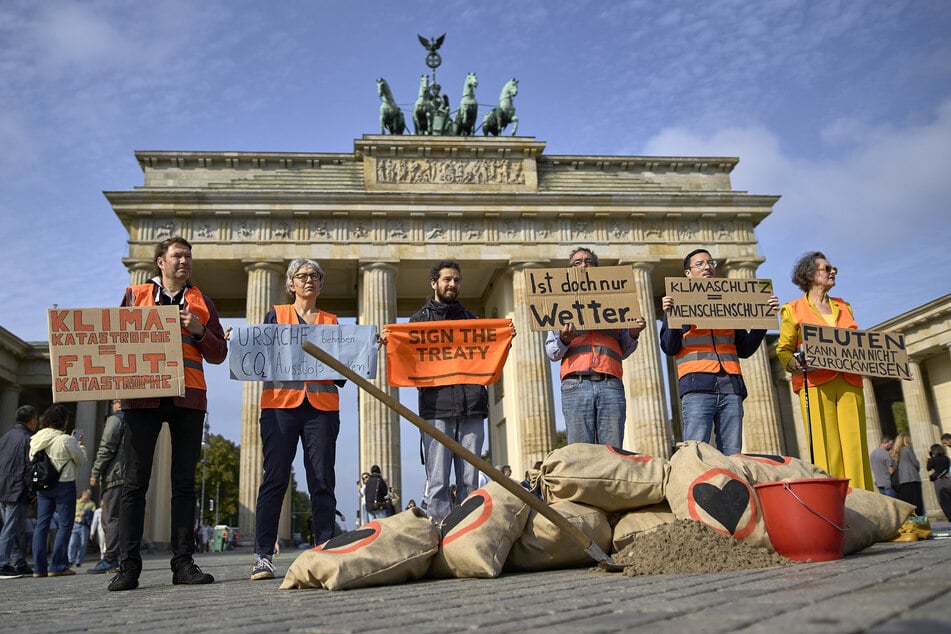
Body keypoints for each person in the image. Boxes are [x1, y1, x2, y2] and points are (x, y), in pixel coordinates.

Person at [109, 236, 228, 592]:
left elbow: (219, 352)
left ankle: (183, 564)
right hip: (142, 397)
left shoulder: (202, 301)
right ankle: (128, 566)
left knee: (184, 484)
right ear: (160, 261)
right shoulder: (135, 296)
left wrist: (199, 330)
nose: (184, 261)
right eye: (177, 256)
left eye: (188, 256)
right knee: (134, 484)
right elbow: (113, 343)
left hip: (189, 398)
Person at [251, 258, 343, 581]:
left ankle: (325, 548)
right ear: (291, 284)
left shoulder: (332, 321)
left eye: (315, 276)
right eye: (302, 276)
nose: (308, 281)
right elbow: (258, 355)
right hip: (280, 406)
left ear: (320, 284)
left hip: (321, 407)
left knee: (321, 479)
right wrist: (239, 341)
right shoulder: (276, 315)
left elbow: (343, 372)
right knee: (275, 478)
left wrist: (363, 352)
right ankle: (263, 554)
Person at [660, 249, 778, 456]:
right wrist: (671, 317)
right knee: (695, 453)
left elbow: (745, 349)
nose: (707, 267)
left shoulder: (728, 303)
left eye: (710, 262)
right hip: (697, 386)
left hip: (731, 386)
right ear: (688, 273)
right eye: (700, 264)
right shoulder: (678, 302)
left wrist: (763, 320)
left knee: (733, 454)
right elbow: (669, 347)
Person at [776, 251, 873, 490]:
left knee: (855, 446)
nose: (832, 272)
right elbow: (783, 351)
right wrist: (795, 363)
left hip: (849, 381)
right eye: (827, 268)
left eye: (833, 269)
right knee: (826, 446)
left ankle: (863, 500)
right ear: (810, 275)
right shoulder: (793, 309)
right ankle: (833, 500)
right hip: (815, 383)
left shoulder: (844, 306)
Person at [410, 260, 489, 523]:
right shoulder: (417, 322)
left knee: (470, 479)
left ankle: (468, 530)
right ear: (434, 283)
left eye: (456, 279)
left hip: (472, 406)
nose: (452, 284)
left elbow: (487, 355)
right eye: (446, 279)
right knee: (438, 481)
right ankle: (440, 533)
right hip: (437, 408)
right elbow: (408, 359)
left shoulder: (472, 321)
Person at [545, 247, 647, 447]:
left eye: (588, 261)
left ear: (597, 270)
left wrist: (633, 333)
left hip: (611, 383)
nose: (583, 265)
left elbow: (623, 350)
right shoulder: (559, 303)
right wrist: (564, 340)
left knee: (612, 451)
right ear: (570, 270)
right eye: (577, 262)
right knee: (581, 454)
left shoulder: (616, 302)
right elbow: (551, 352)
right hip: (576, 384)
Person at [30, 404, 86, 577]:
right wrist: (80, 445)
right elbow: (81, 460)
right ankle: (57, 565)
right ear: (64, 421)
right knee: (65, 524)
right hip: (64, 483)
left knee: (42, 524)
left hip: (43, 484)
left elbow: (32, 459)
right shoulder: (66, 440)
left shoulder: (36, 438)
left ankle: (39, 568)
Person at [87, 399, 126, 574]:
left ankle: (110, 558)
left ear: (118, 402)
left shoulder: (116, 419)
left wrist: (95, 472)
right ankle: (124, 557)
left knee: (111, 518)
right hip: (132, 476)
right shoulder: (137, 420)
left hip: (116, 475)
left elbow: (107, 448)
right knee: (123, 518)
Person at [0, 405, 39, 577]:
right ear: (32, 420)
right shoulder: (28, 439)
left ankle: (19, 562)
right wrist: (32, 492)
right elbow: (29, 468)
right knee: (10, 529)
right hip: (16, 489)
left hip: (2, 487)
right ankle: (2, 563)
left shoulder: (5, 437)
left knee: (11, 528)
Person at [890, 433, 923, 516]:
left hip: (902, 481)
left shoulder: (895, 452)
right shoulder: (907, 449)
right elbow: (915, 463)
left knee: (908, 505)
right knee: (917, 503)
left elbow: (894, 466)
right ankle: (918, 523)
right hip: (912, 479)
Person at [68, 488, 96, 567]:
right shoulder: (76, 502)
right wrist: (78, 513)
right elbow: (71, 511)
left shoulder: (91, 503)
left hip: (84, 525)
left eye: (90, 495)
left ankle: (79, 561)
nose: (90, 496)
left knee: (83, 544)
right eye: (88, 494)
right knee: (72, 543)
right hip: (75, 524)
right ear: (84, 494)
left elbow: (93, 513)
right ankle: (70, 560)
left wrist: (86, 512)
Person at [927, 443, 951, 521]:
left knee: (944, 502)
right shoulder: (946, 458)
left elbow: (928, 468)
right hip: (948, 479)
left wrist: (929, 459)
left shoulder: (933, 460)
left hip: (939, 482)